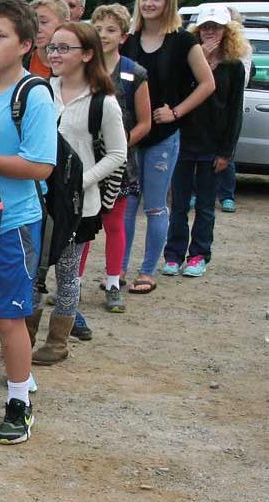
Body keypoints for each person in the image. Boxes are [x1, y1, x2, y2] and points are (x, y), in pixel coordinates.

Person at [0, 0, 58, 444]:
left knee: (9, 315)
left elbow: (40, 166)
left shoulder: (33, 93)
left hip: (15, 223)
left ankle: (20, 400)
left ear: (24, 44)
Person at [33, 22, 125, 365]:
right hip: (40, 199)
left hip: (78, 205)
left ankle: (57, 342)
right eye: (52, 47)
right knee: (34, 271)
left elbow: (118, 154)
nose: (54, 54)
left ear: (87, 54)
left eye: (63, 48)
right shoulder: (41, 90)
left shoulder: (104, 102)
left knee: (67, 273)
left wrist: (82, 180)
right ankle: (24, 336)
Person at [120, 0, 215, 295]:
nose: (149, 3)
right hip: (132, 135)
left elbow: (207, 83)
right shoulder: (129, 39)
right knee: (127, 206)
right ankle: (118, 268)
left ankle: (147, 271)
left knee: (155, 206)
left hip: (163, 135)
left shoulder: (184, 40)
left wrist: (176, 111)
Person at [164, 4, 246, 278]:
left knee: (205, 206)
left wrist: (227, 152)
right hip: (183, 140)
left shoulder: (233, 66)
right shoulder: (187, 59)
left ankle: (199, 254)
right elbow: (178, 94)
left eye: (216, 27)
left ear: (227, 30)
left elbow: (234, 110)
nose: (210, 32)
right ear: (198, 30)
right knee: (178, 204)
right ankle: (173, 255)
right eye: (206, 27)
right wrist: (201, 61)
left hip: (213, 144)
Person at [86, 2, 150, 312]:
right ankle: (73, 281)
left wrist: (121, 144)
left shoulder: (135, 73)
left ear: (123, 36)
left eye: (111, 30)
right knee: (81, 226)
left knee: (114, 224)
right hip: (84, 162)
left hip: (119, 165)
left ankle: (113, 283)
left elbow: (145, 123)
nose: (103, 35)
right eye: (98, 29)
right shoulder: (80, 69)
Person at [27, 0, 67, 80]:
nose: (37, 29)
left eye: (44, 22)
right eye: (33, 23)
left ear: (64, 23)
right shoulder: (19, 61)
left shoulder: (76, 65)